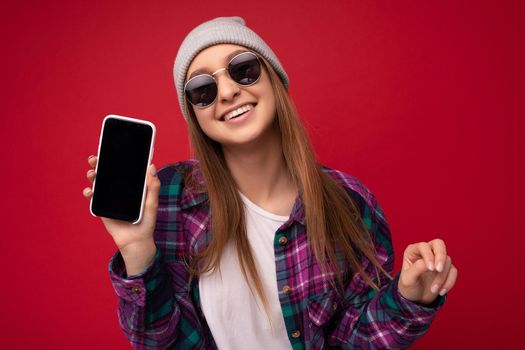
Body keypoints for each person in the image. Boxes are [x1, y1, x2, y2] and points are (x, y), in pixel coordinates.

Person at [83, 16, 458, 350]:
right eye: (202, 90)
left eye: (243, 69)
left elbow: (354, 339)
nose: (228, 92)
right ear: (196, 117)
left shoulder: (350, 202)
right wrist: (136, 249)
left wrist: (409, 299)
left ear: (275, 79)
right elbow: (156, 342)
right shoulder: (169, 198)